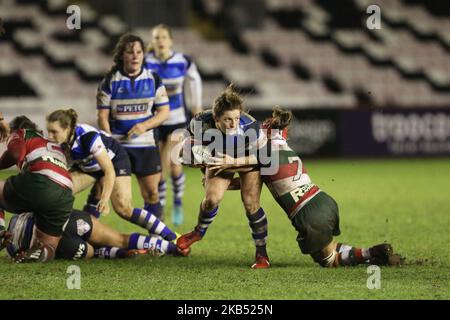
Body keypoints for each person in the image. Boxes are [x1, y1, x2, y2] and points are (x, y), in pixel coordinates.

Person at [208, 107, 404, 267]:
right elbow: (250, 180)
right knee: (331, 247)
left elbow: (249, 165)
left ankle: (372, 252)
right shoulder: (282, 147)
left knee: (328, 260)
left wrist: (229, 164)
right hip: (323, 200)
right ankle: (372, 253)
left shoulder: (265, 151)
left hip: (307, 212)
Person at [46, 108, 178, 244]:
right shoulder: (57, 143)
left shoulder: (87, 136)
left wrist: (104, 198)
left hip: (114, 162)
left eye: (54, 132)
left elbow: (109, 171)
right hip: (89, 168)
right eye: (48, 131)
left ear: (67, 128)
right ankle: (69, 237)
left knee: (123, 208)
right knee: (58, 191)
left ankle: (172, 237)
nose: (50, 136)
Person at [176, 85, 271, 269]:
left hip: (247, 160)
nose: (233, 124)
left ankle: (262, 254)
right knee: (211, 199)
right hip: (220, 159)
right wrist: (198, 163)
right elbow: (183, 151)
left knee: (250, 203)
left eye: (236, 118)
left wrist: (233, 163)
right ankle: (198, 232)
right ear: (215, 118)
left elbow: (266, 157)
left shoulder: (250, 126)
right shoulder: (199, 122)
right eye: (227, 119)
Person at [97, 33, 170, 224]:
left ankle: (157, 239)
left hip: (145, 145)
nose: (135, 56)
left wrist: (144, 125)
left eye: (139, 52)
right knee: (121, 202)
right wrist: (110, 142)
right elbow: (102, 117)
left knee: (152, 194)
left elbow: (164, 112)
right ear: (122, 55)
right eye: (130, 52)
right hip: (119, 148)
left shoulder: (153, 79)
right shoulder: (109, 81)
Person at [145, 24, 203, 225]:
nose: (160, 41)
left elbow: (195, 81)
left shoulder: (182, 61)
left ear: (170, 40)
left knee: (173, 162)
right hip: (156, 121)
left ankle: (177, 202)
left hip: (177, 118)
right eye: (156, 37)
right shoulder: (146, 62)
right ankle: (161, 205)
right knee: (160, 166)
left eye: (163, 37)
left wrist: (196, 107)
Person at [0, 116, 74, 262]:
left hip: (40, 182)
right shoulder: (54, 145)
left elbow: (15, 153)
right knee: (47, 245)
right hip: (65, 194)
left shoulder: (22, 133)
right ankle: (43, 252)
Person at [1, 208, 189, 261]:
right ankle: (173, 246)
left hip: (49, 245)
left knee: (92, 252)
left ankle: (115, 254)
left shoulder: (10, 246)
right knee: (121, 239)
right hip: (67, 220)